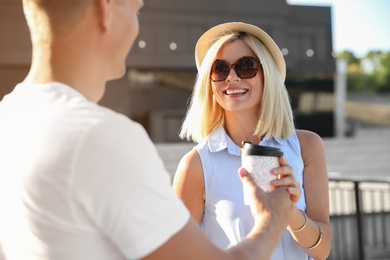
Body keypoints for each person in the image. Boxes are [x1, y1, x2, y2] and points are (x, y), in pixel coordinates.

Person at [0, 1, 295, 260]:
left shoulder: (10, 116)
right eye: (136, 8)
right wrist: (272, 218)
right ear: (106, 8)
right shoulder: (101, 136)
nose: (137, 26)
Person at [173, 22, 332, 260]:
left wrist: (288, 211)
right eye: (220, 69)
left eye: (246, 66)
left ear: (267, 75)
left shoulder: (307, 147)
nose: (232, 77)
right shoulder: (196, 164)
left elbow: (322, 250)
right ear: (210, 84)